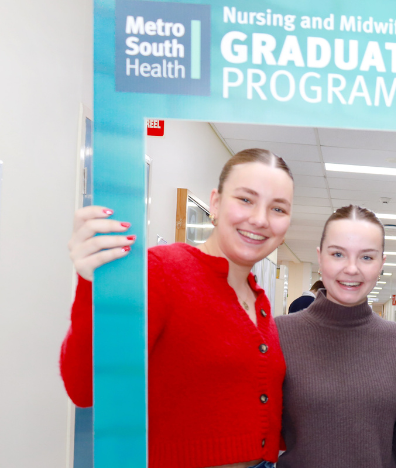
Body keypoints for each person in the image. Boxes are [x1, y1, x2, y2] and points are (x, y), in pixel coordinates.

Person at [60, 149, 294, 468]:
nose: (260, 219)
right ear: (215, 203)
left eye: (277, 208)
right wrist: (93, 287)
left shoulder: (259, 300)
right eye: (246, 199)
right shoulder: (161, 272)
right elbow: (85, 387)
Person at [275, 205, 396, 468]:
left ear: (382, 263)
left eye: (366, 257)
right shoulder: (278, 334)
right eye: (338, 254)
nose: (351, 269)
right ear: (320, 257)